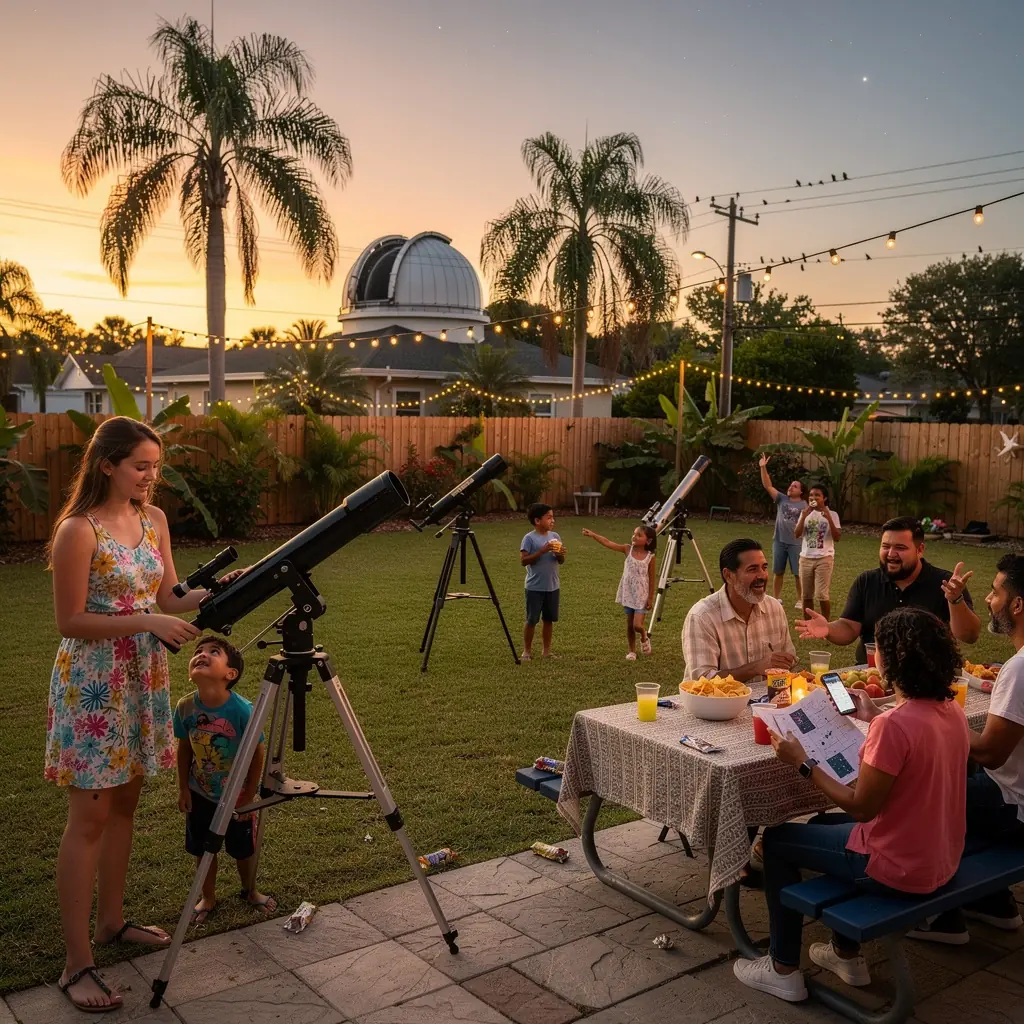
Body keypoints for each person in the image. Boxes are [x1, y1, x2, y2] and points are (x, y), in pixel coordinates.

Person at [46, 416, 243, 1012]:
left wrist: (214, 593)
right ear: (107, 464)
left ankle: (111, 923)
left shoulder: (151, 520)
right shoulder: (78, 531)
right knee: (90, 816)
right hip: (94, 685)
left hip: (143, 673)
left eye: (155, 465)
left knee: (125, 804)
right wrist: (150, 622)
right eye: (140, 465)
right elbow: (70, 621)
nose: (151, 476)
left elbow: (167, 597)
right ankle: (76, 963)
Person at [733, 607, 970, 1002]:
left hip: (896, 867)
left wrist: (802, 763)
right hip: (940, 857)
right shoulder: (951, 712)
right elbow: (912, 761)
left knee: (775, 842)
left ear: (891, 662)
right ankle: (846, 954)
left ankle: (782, 967)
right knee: (820, 828)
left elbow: (862, 809)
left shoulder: (894, 727)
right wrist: (874, 713)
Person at [910, 553, 1024, 944]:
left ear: (1017, 604)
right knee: (958, 774)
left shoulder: (1019, 670)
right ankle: (994, 901)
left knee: (917, 794)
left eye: (994, 593)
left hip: (1014, 808)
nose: (990, 601)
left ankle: (938, 914)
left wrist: (942, 715)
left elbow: (991, 753)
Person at [175, 636, 276, 925]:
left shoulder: (242, 710)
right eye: (198, 652)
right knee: (204, 850)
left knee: (243, 849)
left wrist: (248, 795)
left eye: (213, 652)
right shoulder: (185, 708)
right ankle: (208, 896)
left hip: (236, 796)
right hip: (200, 792)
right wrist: (183, 787)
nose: (202, 655)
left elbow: (257, 752)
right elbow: (184, 748)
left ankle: (250, 890)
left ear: (230, 674)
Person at [797, 516, 980, 663]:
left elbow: (969, 635)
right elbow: (849, 627)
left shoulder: (946, 584)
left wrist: (956, 600)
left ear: (920, 549)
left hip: (929, 679)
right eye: (886, 546)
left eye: (900, 548)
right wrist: (828, 628)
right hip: (872, 676)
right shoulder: (867, 581)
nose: (891, 554)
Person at [682, 539, 796, 683]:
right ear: (729, 575)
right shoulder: (702, 617)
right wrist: (756, 668)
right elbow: (702, 680)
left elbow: (790, 662)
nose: (762, 576)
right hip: (717, 704)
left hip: (768, 703)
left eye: (764, 567)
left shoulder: (774, 608)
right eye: (752, 569)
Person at [582, 524, 657, 660]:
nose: (634, 536)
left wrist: (650, 598)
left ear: (649, 541)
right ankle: (632, 651)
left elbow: (652, 579)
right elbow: (608, 543)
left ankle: (644, 635)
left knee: (637, 625)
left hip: (641, 596)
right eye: (634, 533)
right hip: (628, 593)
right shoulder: (627, 549)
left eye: (639, 535)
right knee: (629, 625)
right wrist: (593, 535)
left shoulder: (650, 557)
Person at [758, 454, 807, 608]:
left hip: (796, 544)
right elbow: (768, 485)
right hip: (779, 541)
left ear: (800, 491)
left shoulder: (806, 505)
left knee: (798, 573)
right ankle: (776, 598)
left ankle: (801, 599)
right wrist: (763, 467)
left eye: (795, 486)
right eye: (791, 485)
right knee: (778, 571)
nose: (791, 487)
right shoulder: (782, 499)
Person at [520, 503, 565, 660]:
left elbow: (560, 561)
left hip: (552, 586)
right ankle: (527, 651)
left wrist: (560, 554)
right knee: (532, 619)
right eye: (549, 517)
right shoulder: (529, 538)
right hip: (534, 587)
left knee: (548, 619)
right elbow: (524, 561)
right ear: (538, 521)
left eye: (553, 517)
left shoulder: (555, 536)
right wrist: (542, 551)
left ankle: (546, 651)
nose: (552, 520)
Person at [794, 483, 841, 620]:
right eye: (811, 495)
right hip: (806, 558)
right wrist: (803, 516)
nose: (813, 498)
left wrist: (828, 517)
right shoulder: (805, 514)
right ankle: (808, 624)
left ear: (824, 498)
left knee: (821, 594)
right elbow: (796, 534)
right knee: (806, 595)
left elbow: (837, 537)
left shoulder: (832, 514)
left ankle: (825, 623)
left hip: (824, 558)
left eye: (817, 495)